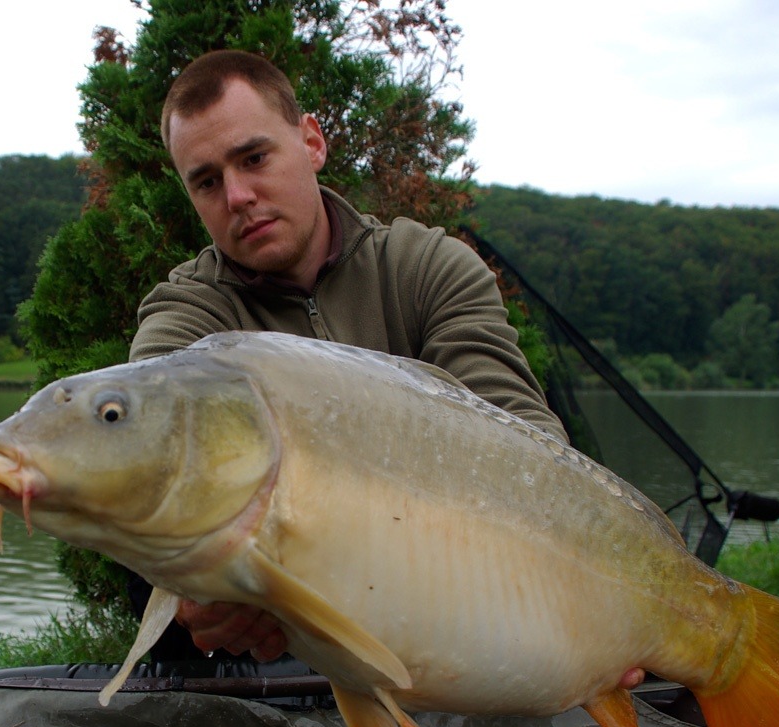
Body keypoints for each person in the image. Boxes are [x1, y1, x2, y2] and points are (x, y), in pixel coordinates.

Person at [129, 50, 645, 691]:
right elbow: (148, 453)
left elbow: (531, 454)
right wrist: (191, 588)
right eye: (206, 181)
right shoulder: (188, 315)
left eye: (254, 158)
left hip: (464, 619)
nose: (238, 196)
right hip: (276, 667)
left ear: (311, 142)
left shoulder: (428, 267)